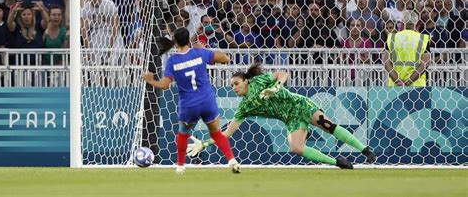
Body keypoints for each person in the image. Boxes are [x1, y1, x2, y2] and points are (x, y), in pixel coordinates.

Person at [187, 64, 377, 169]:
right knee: (296, 148)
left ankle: (365, 150)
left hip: (300, 105)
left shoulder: (259, 81)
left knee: (327, 125)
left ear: (246, 81)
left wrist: (276, 87)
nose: (234, 88)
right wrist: (204, 143)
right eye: (232, 86)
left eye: (236, 83)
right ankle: (338, 163)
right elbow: (226, 134)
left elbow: (283, 74)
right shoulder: (244, 108)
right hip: (290, 119)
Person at [142, 27, 240, 175]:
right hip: (207, 101)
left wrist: (150, 81)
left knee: (183, 133)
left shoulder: (173, 61)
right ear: (189, 40)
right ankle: (232, 160)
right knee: (216, 133)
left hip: (189, 105)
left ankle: (180, 166)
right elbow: (226, 58)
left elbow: (164, 86)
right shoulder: (199, 53)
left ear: (175, 42)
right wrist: (205, 50)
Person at [383, 10, 431, 87]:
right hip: (417, 85)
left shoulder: (392, 37)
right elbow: (425, 63)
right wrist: (408, 82)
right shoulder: (423, 39)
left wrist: (397, 81)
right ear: (416, 22)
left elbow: (386, 63)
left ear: (402, 22)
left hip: (395, 86)